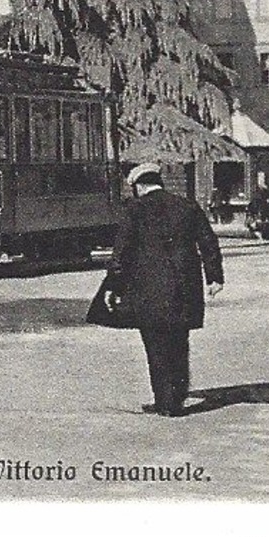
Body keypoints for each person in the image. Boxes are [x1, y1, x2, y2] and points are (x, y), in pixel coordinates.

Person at [105, 162, 225, 416]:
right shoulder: (187, 206)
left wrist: (113, 285)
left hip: (149, 291)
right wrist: (214, 278)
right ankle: (178, 397)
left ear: (139, 185)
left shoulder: (135, 210)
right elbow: (208, 243)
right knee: (179, 343)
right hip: (184, 288)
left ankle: (165, 403)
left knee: (156, 345)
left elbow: (122, 252)